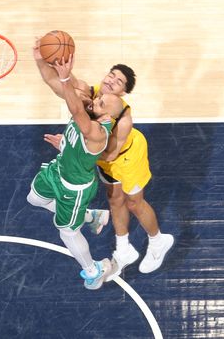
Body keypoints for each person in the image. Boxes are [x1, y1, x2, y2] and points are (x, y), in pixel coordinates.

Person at [38, 52, 174, 278]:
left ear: (123, 92)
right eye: (111, 75)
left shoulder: (123, 120)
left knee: (134, 204)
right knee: (114, 199)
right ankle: (123, 250)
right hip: (101, 155)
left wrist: (72, 148)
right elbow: (57, 83)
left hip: (128, 158)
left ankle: (158, 241)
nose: (111, 81)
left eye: (118, 81)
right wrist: (42, 58)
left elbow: (110, 155)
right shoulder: (91, 93)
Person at [27, 54, 124, 289]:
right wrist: (41, 59)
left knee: (67, 232)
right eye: (98, 98)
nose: (94, 101)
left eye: (100, 103)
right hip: (58, 170)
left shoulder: (99, 132)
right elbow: (54, 84)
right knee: (34, 199)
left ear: (107, 116)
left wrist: (66, 77)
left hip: (75, 189)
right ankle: (92, 216)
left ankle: (93, 271)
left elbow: (77, 111)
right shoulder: (92, 110)